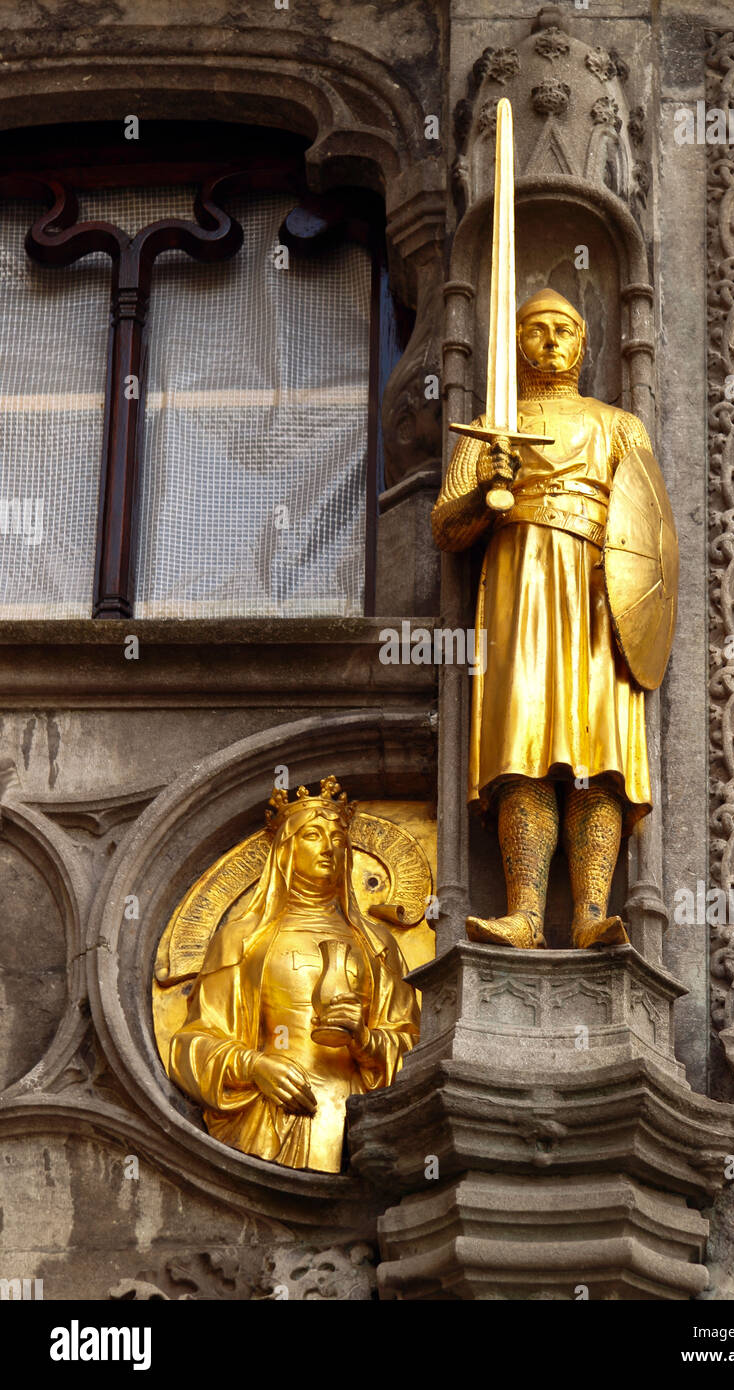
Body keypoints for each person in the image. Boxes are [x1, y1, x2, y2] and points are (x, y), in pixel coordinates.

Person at [432, 287, 653, 950]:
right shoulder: (491, 425)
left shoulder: (618, 426)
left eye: (564, 330)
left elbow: (649, 533)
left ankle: (590, 910)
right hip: (518, 589)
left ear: (584, 344)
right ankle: (525, 912)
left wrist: (627, 604)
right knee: (521, 751)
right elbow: (447, 527)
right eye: (536, 330)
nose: (551, 341)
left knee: (598, 756)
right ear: (517, 343)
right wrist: (485, 490)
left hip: (596, 595)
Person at [169, 776, 419, 1172]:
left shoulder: (377, 944)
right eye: (313, 836)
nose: (328, 849)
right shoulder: (242, 939)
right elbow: (191, 1044)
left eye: (338, 839)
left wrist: (368, 1041)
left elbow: (416, 1048)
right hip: (270, 1117)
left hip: (358, 1122)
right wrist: (253, 1067)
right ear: (285, 851)